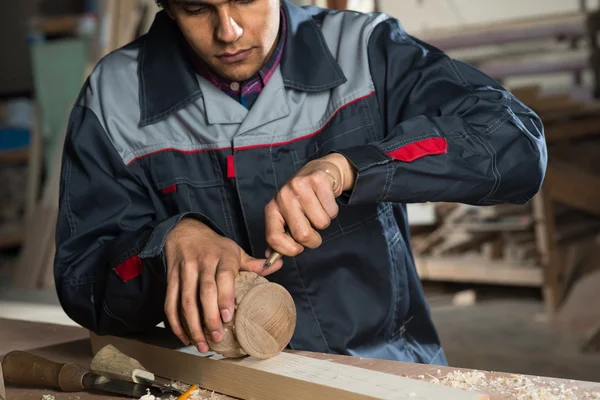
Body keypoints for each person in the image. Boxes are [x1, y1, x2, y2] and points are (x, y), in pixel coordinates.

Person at [54, 0, 547, 366]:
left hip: (385, 369)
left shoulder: (366, 52)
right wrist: (168, 244)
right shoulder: (114, 97)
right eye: (196, 7)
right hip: (219, 381)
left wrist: (352, 168)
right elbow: (82, 282)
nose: (228, 30)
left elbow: (515, 143)